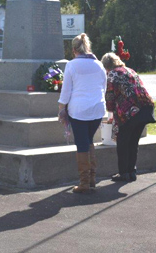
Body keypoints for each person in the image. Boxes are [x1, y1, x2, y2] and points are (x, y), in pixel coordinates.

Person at [58, 33, 107, 193]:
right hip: (97, 109)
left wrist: (61, 109)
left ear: (74, 49)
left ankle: (84, 183)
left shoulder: (72, 65)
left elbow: (66, 91)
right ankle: (92, 178)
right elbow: (104, 87)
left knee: (82, 145)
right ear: (88, 47)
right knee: (88, 141)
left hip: (79, 110)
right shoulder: (99, 64)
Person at [101, 52, 156, 182]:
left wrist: (110, 112)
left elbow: (110, 96)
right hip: (145, 108)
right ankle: (132, 171)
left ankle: (123, 173)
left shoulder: (113, 74)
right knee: (133, 142)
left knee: (123, 142)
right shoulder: (130, 70)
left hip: (130, 112)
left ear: (106, 66)